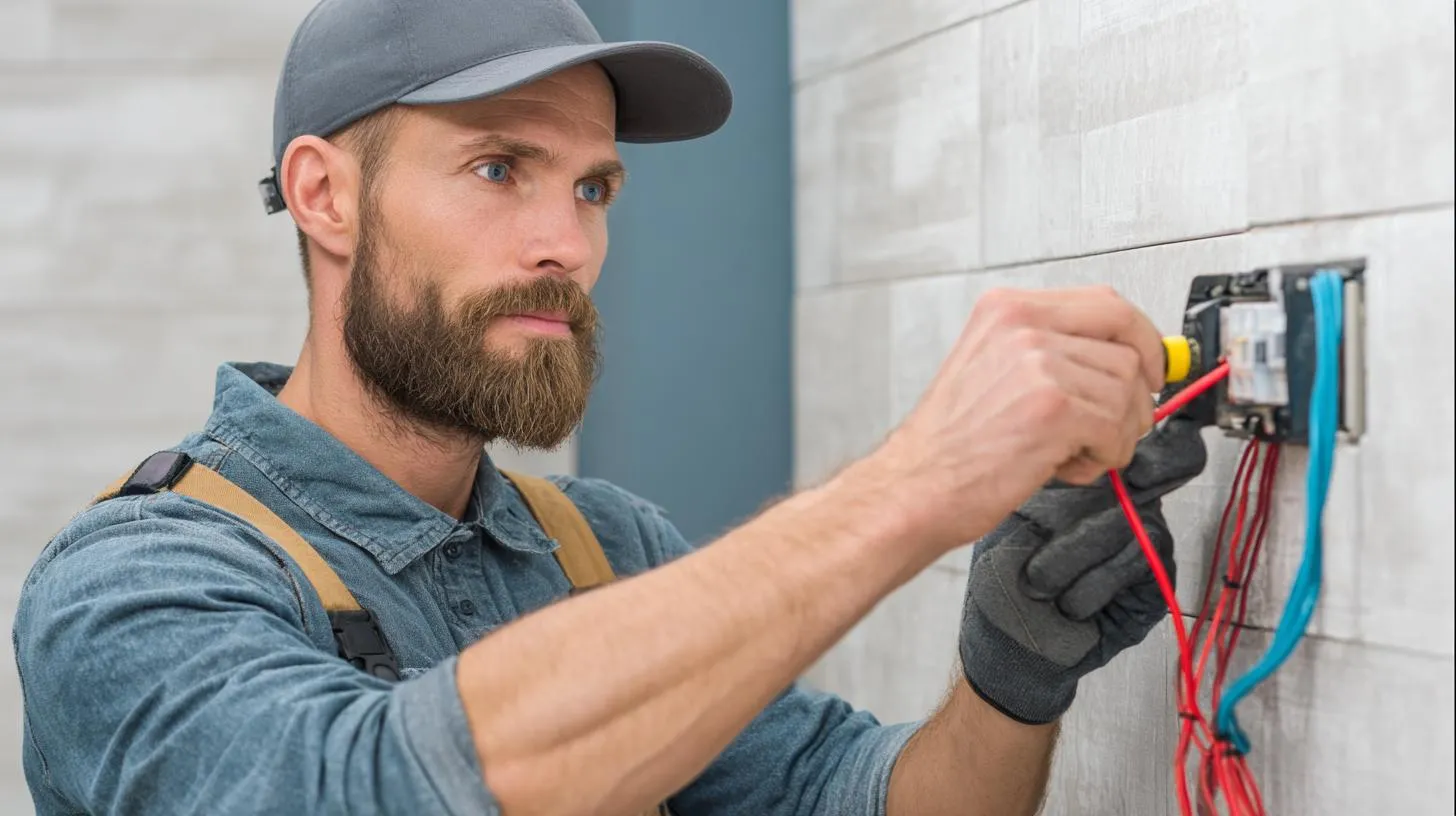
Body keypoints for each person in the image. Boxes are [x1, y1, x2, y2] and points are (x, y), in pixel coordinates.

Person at [12, 1, 1208, 814]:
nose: (565, 244)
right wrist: (917, 485)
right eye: (498, 170)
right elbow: (372, 787)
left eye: (592, 188)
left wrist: (1008, 677)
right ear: (323, 193)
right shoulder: (135, 584)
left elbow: (860, 801)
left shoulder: (605, 547)